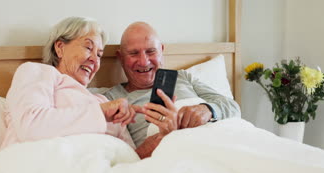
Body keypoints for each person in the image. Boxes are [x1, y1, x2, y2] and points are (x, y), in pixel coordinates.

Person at [96, 22, 241, 159]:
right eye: (134, 53)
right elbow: (128, 158)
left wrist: (207, 109)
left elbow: (233, 107)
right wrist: (165, 135)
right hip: (176, 158)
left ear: (161, 51)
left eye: (151, 51)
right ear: (120, 57)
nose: (143, 61)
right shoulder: (111, 100)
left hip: (222, 141)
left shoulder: (184, 77)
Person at [1, 17, 138, 149]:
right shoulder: (38, 72)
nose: (95, 60)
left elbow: (131, 156)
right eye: (88, 48)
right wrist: (100, 112)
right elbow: (31, 126)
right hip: (40, 165)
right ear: (60, 47)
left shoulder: (102, 101)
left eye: (99, 55)